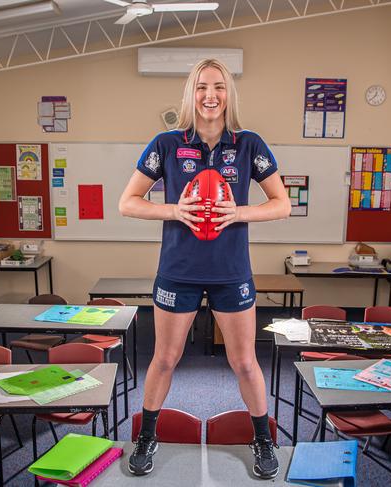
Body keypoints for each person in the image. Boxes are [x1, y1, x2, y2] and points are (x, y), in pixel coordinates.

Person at [119, 58, 291, 479]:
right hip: (178, 269)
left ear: (228, 94)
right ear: (190, 94)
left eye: (218, 87)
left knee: (245, 363)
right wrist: (174, 209)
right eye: (201, 87)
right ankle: (147, 436)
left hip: (232, 272)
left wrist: (240, 213)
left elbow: (282, 204)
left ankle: (263, 439)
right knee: (164, 359)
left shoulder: (249, 144)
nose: (210, 95)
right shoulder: (166, 143)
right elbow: (128, 202)